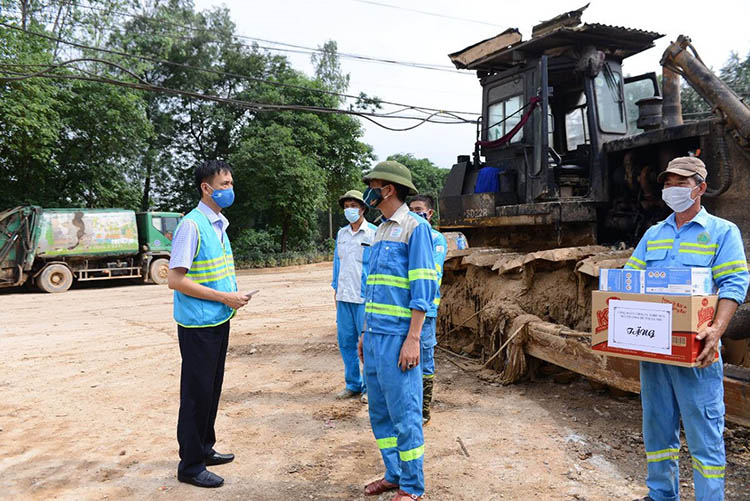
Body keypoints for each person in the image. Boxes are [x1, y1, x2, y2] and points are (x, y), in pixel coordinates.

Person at [624, 156, 749, 501]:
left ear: (701, 188)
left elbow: (734, 284)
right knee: (657, 429)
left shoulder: (722, 232)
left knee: (704, 434)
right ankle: (660, 494)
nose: (673, 189)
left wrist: (717, 330)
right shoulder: (654, 234)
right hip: (655, 350)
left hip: (697, 351)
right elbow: (628, 281)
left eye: (681, 183)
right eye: (668, 183)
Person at [167, 160, 251, 488]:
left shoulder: (218, 224)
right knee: (196, 394)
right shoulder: (192, 224)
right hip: (198, 324)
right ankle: (190, 465)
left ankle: (205, 448)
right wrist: (223, 298)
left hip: (218, 318)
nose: (230, 189)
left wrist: (232, 298)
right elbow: (175, 280)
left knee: (211, 390)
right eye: (225, 184)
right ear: (207, 187)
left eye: (231, 184)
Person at [357, 161, 437, 501]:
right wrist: (364, 332)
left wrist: (413, 339)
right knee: (380, 413)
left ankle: (412, 486)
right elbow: (373, 288)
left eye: (373, 186)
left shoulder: (413, 228)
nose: (369, 193)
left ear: (388, 189)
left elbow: (423, 288)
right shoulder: (379, 230)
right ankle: (393, 473)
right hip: (375, 336)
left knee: (405, 415)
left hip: (399, 338)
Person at [331, 189, 377, 402]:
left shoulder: (374, 233)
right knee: (346, 343)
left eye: (354, 206)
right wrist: (335, 292)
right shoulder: (341, 234)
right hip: (344, 297)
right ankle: (353, 384)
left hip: (365, 298)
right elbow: (337, 265)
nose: (350, 209)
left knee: (366, 344)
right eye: (346, 206)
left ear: (363, 208)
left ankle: (370, 388)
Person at [408, 195, 447, 426]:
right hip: (408, 308)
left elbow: (432, 271)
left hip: (427, 309)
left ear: (429, 213)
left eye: (419, 209)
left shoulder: (436, 239)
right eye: (411, 210)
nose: (415, 213)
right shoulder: (409, 235)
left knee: (425, 357)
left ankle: (424, 410)